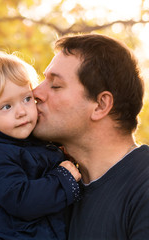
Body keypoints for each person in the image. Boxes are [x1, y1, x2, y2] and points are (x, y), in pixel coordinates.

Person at [33, 33, 149, 240]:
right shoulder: (53, 186)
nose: (35, 92)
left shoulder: (143, 187)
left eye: (56, 85)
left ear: (101, 105)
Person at [0, 50, 81, 240]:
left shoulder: (28, 142)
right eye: (7, 106)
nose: (22, 112)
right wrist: (63, 180)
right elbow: (21, 200)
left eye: (26, 98)